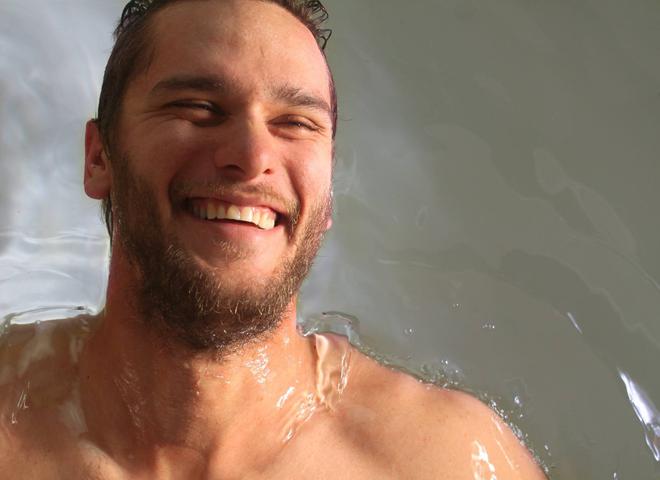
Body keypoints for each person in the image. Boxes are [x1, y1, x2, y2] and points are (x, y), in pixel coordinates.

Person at [0, 1, 547, 478]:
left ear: (326, 196)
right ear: (99, 158)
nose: (252, 156)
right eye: (198, 108)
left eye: (296, 123)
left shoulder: (446, 462)